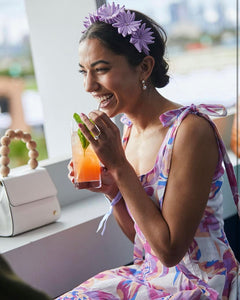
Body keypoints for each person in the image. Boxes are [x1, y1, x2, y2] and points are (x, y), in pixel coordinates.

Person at [57, 2, 240, 299]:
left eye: (101, 70)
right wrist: (113, 191)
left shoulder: (189, 130)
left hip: (202, 283)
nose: (89, 85)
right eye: (84, 72)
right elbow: (145, 242)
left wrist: (119, 166)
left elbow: (170, 251)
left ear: (144, 67)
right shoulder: (128, 133)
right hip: (150, 277)